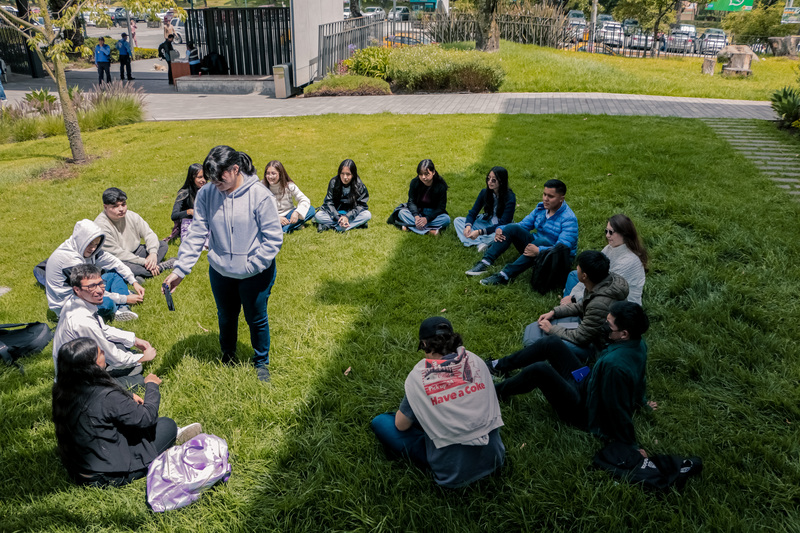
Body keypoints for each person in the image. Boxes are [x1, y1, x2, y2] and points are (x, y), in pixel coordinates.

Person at [164, 146, 283, 383]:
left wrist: (253, 265)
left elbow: (273, 238)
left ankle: (261, 362)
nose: (215, 184)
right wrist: (180, 270)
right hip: (220, 271)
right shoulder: (208, 193)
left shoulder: (260, 195)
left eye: (220, 179)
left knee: (256, 317)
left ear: (235, 169)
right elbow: (197, 232)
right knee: (226, 316)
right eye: (211, 180)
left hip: (255, 273)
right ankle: (228, 357)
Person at [490, 302, 656, 454]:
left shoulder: (614, 367)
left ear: (624, 334)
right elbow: (639, 377)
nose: (604, 326)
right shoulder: (637, 343)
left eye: (609, 325)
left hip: (581, 407)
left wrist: (630, 445)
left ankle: (492, 392)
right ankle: (498, 365)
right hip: (585, 380)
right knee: (552, 343)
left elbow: (616, 407)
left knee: (540, 370)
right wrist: (641, 401)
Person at [371, 317, 505, 488]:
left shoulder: (420, 377)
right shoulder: (476, 361)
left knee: (382, 422)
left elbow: (401, 425)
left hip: (452, 473)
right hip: (493, 458)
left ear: (425, 345)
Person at [52, 337, 201, 487]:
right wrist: (152, 386)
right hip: (109, 477)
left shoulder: (62, 390)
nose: (104, 351)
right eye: (100, 353)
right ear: (92, 365)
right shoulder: (106, 396)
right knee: (167, 425)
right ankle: (171, 452)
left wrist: (129, 395)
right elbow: (147, 417)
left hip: (79, 471)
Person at [503, 250, 629, 363]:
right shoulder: (603, 282)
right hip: (589, 329)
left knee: (545, 342)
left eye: (579, 266)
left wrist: (552, 330)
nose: (576, 268)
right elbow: (584, 306)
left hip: (596, 346)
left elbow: (581, 337)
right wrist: (555, 312)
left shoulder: (600, 303)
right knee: (537, 329)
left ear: (584, 276)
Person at [52, 264, 158, 389]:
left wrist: (134, 340)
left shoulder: (75, 302)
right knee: (138, 378)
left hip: (84, 363)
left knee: (123, 346)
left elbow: (103, 329)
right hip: (77, 383)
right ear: (77, 289)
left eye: (100, 283)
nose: (99, 290)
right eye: (91, 286)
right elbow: (110, 354)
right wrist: (141, 358)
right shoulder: (82, 321)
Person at [466, 178, 578, 286]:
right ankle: (485, 262)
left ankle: (505, 275)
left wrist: (539, 251)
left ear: (561, 199)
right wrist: (501, 229)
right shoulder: (541, 208)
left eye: (550, 196)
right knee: (511, 228)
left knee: (541, 241)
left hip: (555, 257)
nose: (545, 199)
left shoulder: (569, 219)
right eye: (544, 194)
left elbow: (563, 248)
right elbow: (523, 225)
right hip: (536, 246)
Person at [42, 219, 144, 322]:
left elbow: (114, 262)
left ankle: (122, 307)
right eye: (90, 243)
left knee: (113, 275)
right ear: (81, 239)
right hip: (68, 305)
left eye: (96, 244)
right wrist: (125, 298)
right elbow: (89, 290)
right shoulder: (70, 261)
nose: (93, 248)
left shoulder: (82, 247)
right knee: (107, 303)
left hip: (83, 290)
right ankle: (119, 306)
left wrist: (133, 281)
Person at [562, 214, 648, 306]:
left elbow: (605, 287)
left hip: (619, 302)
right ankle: (566, 307)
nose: (607, 235)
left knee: (582, 280)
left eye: (611, 232)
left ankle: (569, 311)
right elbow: (592, 271)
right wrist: (572, 296)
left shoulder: (629, 261)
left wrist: (574, 298)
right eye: (606, 231)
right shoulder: (610, 248)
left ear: (624, 233)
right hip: (602, 285)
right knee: (574, 275)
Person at [94, 187, 174, 280]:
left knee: (162, 245)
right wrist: (144, 262)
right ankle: (160, 267)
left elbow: (149, 234)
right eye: (115, 206)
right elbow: (118, 254)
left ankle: (139, 275)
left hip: (135, 252)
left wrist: (152, 253)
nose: (121, 209)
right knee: (124, 268)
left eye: (123, 204)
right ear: (105, 207)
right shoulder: (101, 226)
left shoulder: (131, 215)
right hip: (117, 260)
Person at [453, 166, 516, 251]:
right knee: (458, 221)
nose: (490, 182)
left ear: (501, 181)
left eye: (494, 180)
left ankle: (469, 238)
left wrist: (479, 232)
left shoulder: (510, 198)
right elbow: (473, 212)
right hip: (487, 221)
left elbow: (503, 223)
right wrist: (468, 226)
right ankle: (480, 243)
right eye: (488, 178)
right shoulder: (484, 193)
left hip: (500, 227)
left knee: (500, 235)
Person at [391, 159, 450, 235]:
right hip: (418, 212)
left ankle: (410, 227)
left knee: (446, 219)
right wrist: (416, 216)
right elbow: (411, 202)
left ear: (433, 172)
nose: (423, 177)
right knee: (401, 213)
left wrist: (427, 219)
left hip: (432, 214)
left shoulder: (440, 186)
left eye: (426, 174)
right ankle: (429, 231)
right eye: (421, 174)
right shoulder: (415, 183)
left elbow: (441, 207)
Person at [314, 159, 371, 232]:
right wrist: (338, 217)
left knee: (367, 215)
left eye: (348, 174)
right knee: (318, 216)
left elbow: (361, 206)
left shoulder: (359, 185)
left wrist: (347, 216)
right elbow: (329, 202)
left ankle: (332, 226)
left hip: (351, 214)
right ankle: (353, 225)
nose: (345, 177)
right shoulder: (333, 182)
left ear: (353, 174)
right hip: (335, 213)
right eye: (342, 174)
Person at [262, 160, 315, 234]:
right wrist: (277, 218)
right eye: (268, 173)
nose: (270, 176)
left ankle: (284, 228)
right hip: (271, 217)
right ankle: (289, 227)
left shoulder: (289, 186)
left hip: (289, 214)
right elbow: (259, 208)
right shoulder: (261, 187)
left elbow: (304, 199)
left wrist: (296, 212)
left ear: (280, 174)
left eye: (273, 173)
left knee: (311, 210)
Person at [168, 163, 207, 242]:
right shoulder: (184, 193)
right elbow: (174, 216)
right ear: (192, 178)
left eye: (205, 177)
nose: (203, 180)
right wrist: (189, 212)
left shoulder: (207, 191)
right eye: (200, 177)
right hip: (189, 223)